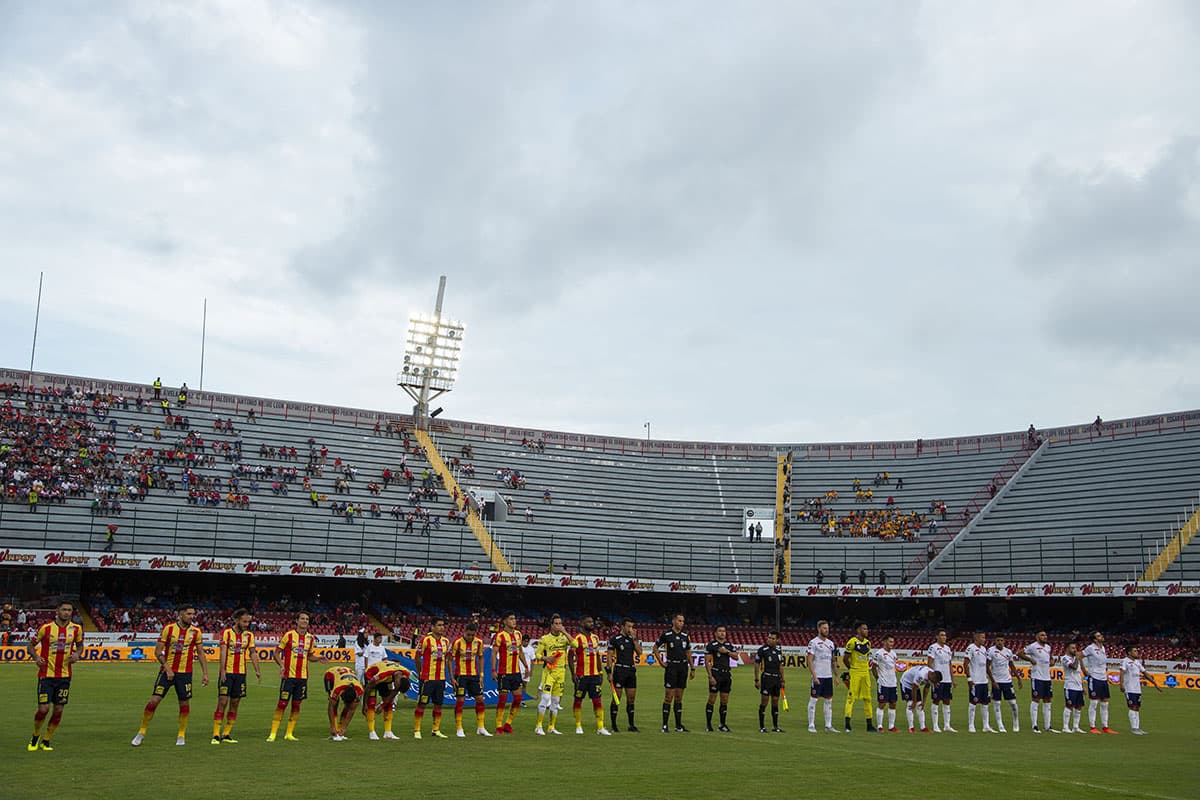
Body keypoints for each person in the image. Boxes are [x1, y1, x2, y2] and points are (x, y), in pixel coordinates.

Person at [132, 604, 210, 747]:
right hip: (167, 672)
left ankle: (181, 734)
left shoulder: (196, 632)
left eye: (193, 614)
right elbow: (158, 652)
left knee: (184, 703)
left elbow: (200, 653)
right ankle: (141, 732)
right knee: (154, 700)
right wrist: (167, 668)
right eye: (189, 614)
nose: (192, 617)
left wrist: (205, 673)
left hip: (185, 673)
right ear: (180, 614)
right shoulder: (169, 629)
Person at [26, 601, 83, 751]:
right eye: (64, 609)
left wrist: (77, 654)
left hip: (65, 677)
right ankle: (35, 736)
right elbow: (30, 646)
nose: (66, 612)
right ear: (57, 610)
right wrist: (36, 658)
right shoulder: (46, 628)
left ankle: (46, 740)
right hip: (46, 675)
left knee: (58, 710)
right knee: (44, 709)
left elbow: (80, 645)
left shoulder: (76, 629)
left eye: (69, 610)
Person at [268, 611, 324, 742]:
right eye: (302, 619)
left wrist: (319, 658)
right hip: (289, 677)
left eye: (307, 619)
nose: (305, 621)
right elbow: (276, 653)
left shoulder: (310, 638)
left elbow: (309, 656)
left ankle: (289, 733)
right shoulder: (288, 636)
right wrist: (282, 665)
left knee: (296, 705)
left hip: (303, 678)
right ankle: (273, 733)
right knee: (282, 704)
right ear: (297, 621)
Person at [212, 608, 261, 744]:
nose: (246, 624)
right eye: (244, 621)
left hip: (241, 674)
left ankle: (226, 734)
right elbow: (222, 652)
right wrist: (222, 671)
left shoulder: (249, 636)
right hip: (227, 673)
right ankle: (216, 734)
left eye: (248, 622)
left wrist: (257, 670)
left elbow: (252, 653)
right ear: (236, 620)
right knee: (222, 702)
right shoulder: (227, 633)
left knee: (235, 703)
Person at [653, 613, 695, 733]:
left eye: (683, 621)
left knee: (679, 697)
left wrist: (692, 668)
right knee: (668, 697)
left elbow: (688, 652)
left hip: (683, 667)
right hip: (671, 667)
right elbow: (655, 647)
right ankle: (665, 725)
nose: (681, 623)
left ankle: (678, 725)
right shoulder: (667, 635)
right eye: (679, 621)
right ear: (673, 621)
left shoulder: (685, 636)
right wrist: (661, 662)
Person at [568, 616, 610, 735]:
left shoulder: (595, 638)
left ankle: (600, 727)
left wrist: (600, 672)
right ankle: (578, 725)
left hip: (595, 676)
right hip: (581, 676)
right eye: (589, 622)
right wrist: (573, 673)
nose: (592, 624)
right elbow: (570, 656)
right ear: (582, 623)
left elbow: (597, 656)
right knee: (578, 700)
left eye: (592, 622)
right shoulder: (577, 638)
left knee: (597, 701)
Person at [449, 622, 491, 737]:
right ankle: (459, 728)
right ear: (464, 632)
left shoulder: (479, 642)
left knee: (480, 699)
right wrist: (452, 677)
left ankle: (481, 727)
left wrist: (481, 675)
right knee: (460, 701)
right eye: (468, 635)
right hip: (460, 676)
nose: (470, 637)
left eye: (473, 635)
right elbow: (449, 659)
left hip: (474, 675)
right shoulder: (457, 642)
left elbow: (481, 657)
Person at [534, 615, 571, 735]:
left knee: (555, 702)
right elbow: (537, 654)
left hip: (561, 672)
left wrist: (565, 632)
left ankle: (551, 727)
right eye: (556, 623)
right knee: (545, 698)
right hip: (549, 672)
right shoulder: (545, 639)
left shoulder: (564, 638)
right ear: (551, 625)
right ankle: (538, 726)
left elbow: (575, 644)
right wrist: (546, 658)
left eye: (560, 623)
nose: (558, 625)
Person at [413, 618, 450, 739]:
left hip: (441, 678)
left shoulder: (446, 641)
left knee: (438, 704)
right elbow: (417, 657)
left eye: (443, 625)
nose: (442, 627)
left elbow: (448, 658)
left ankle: (436, 729)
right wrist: (420, 673)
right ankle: (417, 730)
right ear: (432, 627)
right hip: (427, 678)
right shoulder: (425, 640)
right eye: (439, 625)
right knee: (422, 704)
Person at [492, 612, 527, 734]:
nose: (514, 621)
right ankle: (498, 725)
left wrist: (526, 666)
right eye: (511, 619)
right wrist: (493, 670)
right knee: (503, 699)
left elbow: (520, 651)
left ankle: (508, 723)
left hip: (516, 672)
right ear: (505, 621)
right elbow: (494, 653)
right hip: (504, 673)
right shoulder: (500, 636)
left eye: (514, 618)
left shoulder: (518, 634)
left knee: (518, 699)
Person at [607, 618, 642, 732]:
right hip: (619, 670)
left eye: (632, 627)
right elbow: (609, 656)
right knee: (617, 698)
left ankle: (631, 725)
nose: (630, 629)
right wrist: (609, 672)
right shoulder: (615, 639)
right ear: (623, 626)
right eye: (628, 626)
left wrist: (635, 638)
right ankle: (613, 725)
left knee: (631, 699)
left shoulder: (633, 639)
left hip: (631, 670)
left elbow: (639, 652)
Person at [364, 659, 410, 740]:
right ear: (397, 681)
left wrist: (382, 705)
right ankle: (372, 732)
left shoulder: (406, 673)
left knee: (389, 704)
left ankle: (388, 732)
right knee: (371, 703)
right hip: (372, 674)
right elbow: (368, 688)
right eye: (397, 686)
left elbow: (396, 690)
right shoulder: (382, 675)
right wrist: (364, 705)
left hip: (387, 678)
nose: (396, 688)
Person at [842, 621, 876, 733]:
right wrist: (851, 669)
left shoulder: (868, 643)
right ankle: (847, 724)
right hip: (855, 673)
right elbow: (845, 659)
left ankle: (869, 725)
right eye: (864, 629)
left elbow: (866, 658)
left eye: (867, 628)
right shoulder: (852, 642)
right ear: (858, 630)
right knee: (851, 698)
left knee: (868, 698)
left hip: (865, 673)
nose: (867, 630)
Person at [1120, 645, 1161, 735]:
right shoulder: (1125, 661)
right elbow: (1122, 672)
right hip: (1129, 688)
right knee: (1132, 707)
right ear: (1129, 652)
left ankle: (1137, 728)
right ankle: (1134, 728)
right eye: (1135, 651)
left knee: (1137, 708)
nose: (1137, 652)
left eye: (1137, 650)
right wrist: (1121, 684)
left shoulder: (1137, 662)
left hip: (1137, 689)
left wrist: (1154, 683)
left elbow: (1145, 673)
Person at [806, 620, 839, 733]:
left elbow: (833, 660)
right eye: (824, 628)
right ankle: (811, 725)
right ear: (819, 629)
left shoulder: (831, 644)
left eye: (827, 628)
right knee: (814, 700)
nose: (826, 630)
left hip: (828, 676)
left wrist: (836, 675)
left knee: (828, 701)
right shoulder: (813, 643)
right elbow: (809, 660)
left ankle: (828, 726)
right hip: (818, 676)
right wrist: (814, 676)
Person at [1021, 630, 1056, 734]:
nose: (1045, 637)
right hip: (1037, 677)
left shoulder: (1048, 647)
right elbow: (1019, 653)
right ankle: (1034, 725)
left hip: (1047, 678)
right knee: (1036, 700)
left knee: (1048, 701)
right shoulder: (1033, 646)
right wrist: (1029, 659)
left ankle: (1047, 726)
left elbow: (1049, 660)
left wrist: (1052, 662)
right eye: (1042, 635)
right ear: (1037, 637)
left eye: (1045, 635)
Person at [704, 625, 737, 732]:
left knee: (724, 701)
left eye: (724, 631)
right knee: (712, 699)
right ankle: (708, 725)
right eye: (720, 631)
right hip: (716, 674)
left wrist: (726, 652)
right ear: (715, 633)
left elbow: (736, 657)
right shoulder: (711, 645)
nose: (722, 633)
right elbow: (707, 661)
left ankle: (722, 724)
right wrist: (710, 676)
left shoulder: (728, 645)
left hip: (726, 675)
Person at [1082, 631, 1116, 734]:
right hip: (1094, 677)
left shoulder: (1103, 648)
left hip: (1103, 678)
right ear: (1095, 639)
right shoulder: (1090, 648)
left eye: (1101, 635)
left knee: (1105, 703)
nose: (1101, 636)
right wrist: (1084, 670)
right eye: (1099, 636)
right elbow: (1079, 656)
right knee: (1094, 702)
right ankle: (1092, 727)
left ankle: (1105, 726)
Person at [987, 634, 1022, 733]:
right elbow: (987, 667)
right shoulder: (991, 651)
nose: (999, 642)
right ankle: (1000, 725)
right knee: (997, 704)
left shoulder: (1008, 651)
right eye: (998, 640)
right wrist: (993, 681)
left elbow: (1011, 665)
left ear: (1004, 641)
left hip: (1007, 681)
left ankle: (1016, 722)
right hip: (996, 681)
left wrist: (1018, 678)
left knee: (1013, 703)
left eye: (1001, 640)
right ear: (995, 641)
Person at [925, 629, 956, 733]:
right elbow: (929, 663)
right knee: (936, 700)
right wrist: (933, 678)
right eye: (942, 635)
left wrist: (953, 678)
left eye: (945, 635)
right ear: (937, 637)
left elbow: (950, 664)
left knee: (947, 701)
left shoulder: (948, 648)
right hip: (938, 679)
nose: (944, 637)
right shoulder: (933, 647)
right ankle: (935, 725)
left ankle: (947, 725)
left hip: (947, 679)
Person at [754, 631, 785, 733]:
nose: (770, 639)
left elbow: (781, 665)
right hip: (766, 678)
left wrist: (783, 679)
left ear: (777, 640)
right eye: (769, 637)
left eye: (772, 638)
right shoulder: (762, 650)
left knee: (775, 702)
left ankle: (775, 726)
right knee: (764, 702)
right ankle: (761, 726)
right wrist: (757, 679)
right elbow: (757, 664)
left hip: (776, 679)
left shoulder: (778, 650)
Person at [963, 632, 994, 733]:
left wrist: (988, 678)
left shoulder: (984, 649)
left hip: (984, 681)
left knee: (985, 703)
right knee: (973, 703)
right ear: (976, 638)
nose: (984, 639)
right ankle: (971, 725)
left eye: (984, 637)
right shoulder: (970, 648)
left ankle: (986, 725)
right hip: (975, 681)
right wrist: (969, 679)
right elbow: (965, 664)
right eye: (982, 637)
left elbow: (985, 666)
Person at [323, 665, 363, 741]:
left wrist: (344, 727)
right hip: (330, 676)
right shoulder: (338, 689)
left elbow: (352, 710)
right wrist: (332, 726)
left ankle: (340, 729)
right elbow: (330, 707)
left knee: (349, 707)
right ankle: (335, 728)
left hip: (346, 677)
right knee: (334, 703)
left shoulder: (359, 690)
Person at [870, 634, 900, 732]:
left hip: (893, 683)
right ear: (884, 642)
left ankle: (891, 726)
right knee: (882, 704)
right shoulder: (879, 654)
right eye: (890, 641)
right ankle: (879, 725)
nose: (892, 644)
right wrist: (877, 678)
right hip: (883, 683)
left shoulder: (894, 654)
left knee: (893, 704)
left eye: (893, 642)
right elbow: (873, 667)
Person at [900, 665, 941, 732]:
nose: (934, 683)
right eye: (934, 681)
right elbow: (914, 688)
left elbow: (926, 688)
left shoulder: (932, 676)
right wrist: (914, 702)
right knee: (910, 704)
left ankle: (923, 727)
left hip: (915, 685)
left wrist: (923, 702)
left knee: (919, 705)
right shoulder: (921, 675)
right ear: (933, 676)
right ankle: (911, 727)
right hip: (906, 683)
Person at [1060, 642, 1086, 734]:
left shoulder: (1076, 659)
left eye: (1075, 648)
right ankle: (1065, 726)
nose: (1075, 650)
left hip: (1078, 686)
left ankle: (1075, 726)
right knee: (1069, 706)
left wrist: (1083, 686)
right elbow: (1074, 667)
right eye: (1072, 648)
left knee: (1079, 707)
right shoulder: (1064, 658)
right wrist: (1078, 659)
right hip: (1070, 686)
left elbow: (1079, 673)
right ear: (1067, 649)